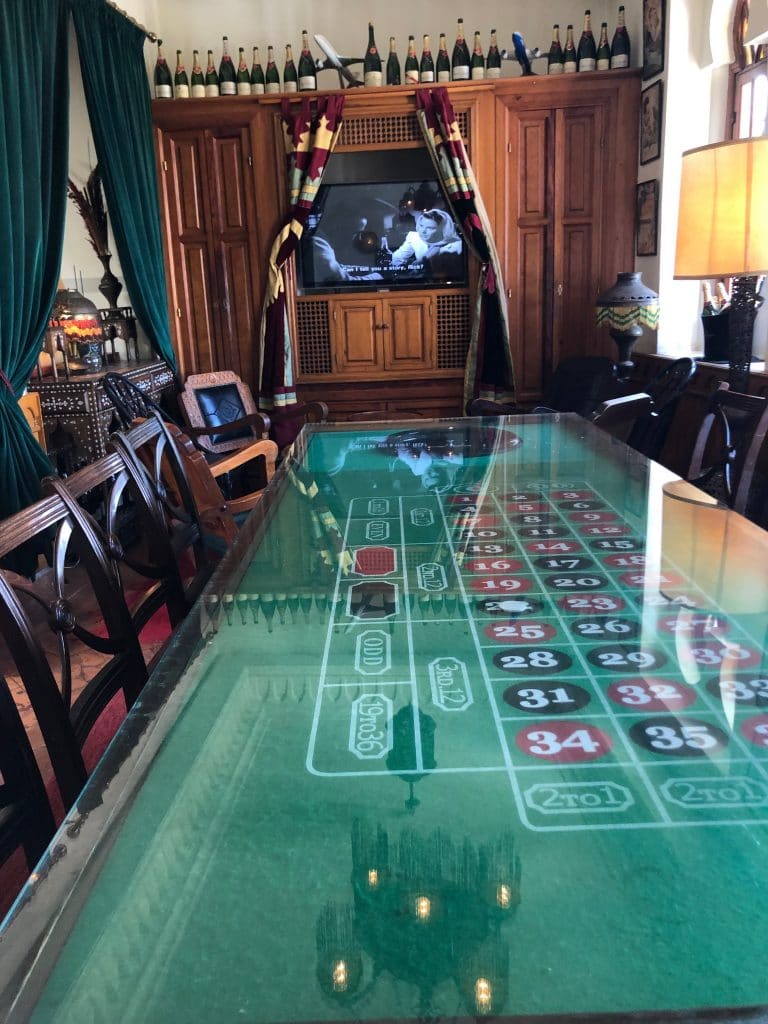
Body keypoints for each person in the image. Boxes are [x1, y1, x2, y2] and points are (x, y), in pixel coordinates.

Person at [390, 209, 463, 280]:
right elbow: (397, 257)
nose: (423, 231)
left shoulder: (455, 245)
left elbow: (450, 272)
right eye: (421, 226)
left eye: (430, 228)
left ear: (441, 230)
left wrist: (423, 265)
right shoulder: (414, 237)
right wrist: (406, 271)